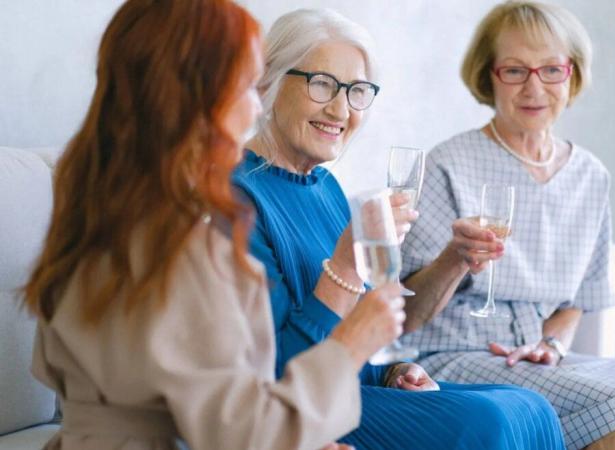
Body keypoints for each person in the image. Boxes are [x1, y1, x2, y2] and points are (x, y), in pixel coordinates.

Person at [22, 1, 407, 449]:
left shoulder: (97, 205)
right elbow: (241, 433)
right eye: (248, 87)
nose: (255, 107)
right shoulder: (183, 239)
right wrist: (353, 344)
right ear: (196, 97)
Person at [233, 8, 566, 450]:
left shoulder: (326, 187)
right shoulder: (237, 197)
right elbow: (276, 370)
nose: (340, 109)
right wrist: (349, 265)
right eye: (321, 84)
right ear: (268, 82)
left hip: (359, 386)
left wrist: (395, 371)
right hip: (296, 404)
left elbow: (365, 331)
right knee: (487, 422)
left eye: (357, 91)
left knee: (531, 404)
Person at [398, 2, 615, 449]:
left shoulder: (590, 175)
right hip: (453, 355)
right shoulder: (449, 164)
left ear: (572, 75)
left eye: (551, 69)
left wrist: (551, 343)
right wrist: (455, 259)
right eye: (514, 70)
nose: (534, 87)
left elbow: (581, 298)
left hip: (535, 358)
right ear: (488, 75)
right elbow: (408, 316)